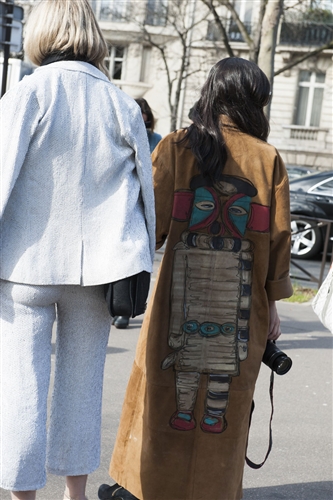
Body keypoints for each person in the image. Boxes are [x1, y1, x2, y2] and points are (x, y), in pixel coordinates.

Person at [99, 57, 293, 500]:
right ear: (252, 104)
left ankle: (142, 487)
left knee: (160, 395)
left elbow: (148, 224)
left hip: (174, 302)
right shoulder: (268, 159)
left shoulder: (175, 146)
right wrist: (275, 303)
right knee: (223, 406)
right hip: (246, 307)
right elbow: (277, 241)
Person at [0, 1, 155, 499]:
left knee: (21, 388)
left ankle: (22, 495)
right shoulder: (121, 104)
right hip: (99, 272)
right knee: (81, 388)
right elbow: (144, 196)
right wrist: (142, 257)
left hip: (26, 265)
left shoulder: (26, 94)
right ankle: (75, 495)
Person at [113, 98, 162, 330]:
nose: (142, 115)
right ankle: (117, 304)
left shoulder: (156, 140)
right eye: (138, 110)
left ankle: (124, 308)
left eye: (145, 111)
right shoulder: (119, 132)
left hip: (146, 201)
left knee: (134, 255)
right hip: (124, 200)